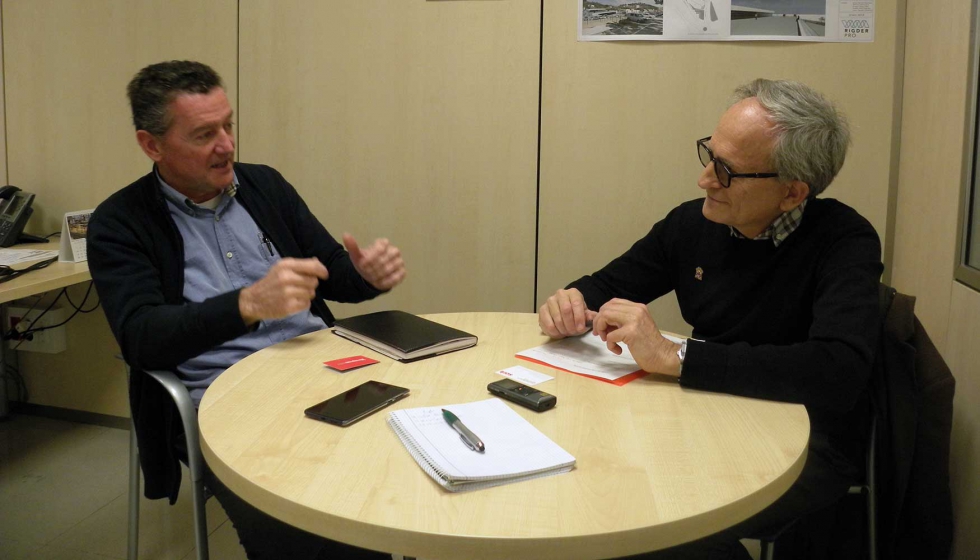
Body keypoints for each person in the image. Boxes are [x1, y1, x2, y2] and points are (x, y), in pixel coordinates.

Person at [539, 79, 882, 559]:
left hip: (804, 445)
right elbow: (606, 285)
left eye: (726, 171)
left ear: (792, 193)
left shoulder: (844, 241)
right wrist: (570, 304)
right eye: (709, 154)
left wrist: (677, 356)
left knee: (650, 524)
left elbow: (836, 370)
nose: (705, 179)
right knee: (590, 479)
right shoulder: (693, 223)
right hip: (704, 419)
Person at [89, 60, 404, 559]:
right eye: (204, 133)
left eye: (229, 125)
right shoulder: (120, 222)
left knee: (412, 468)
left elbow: (331, 272)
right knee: (315, 529)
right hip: (227, 402)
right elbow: (141, 335)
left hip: (325, 370)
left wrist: (364, 277)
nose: (227, 145)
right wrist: (248, 304)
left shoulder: (264, 186)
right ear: (152, 145)